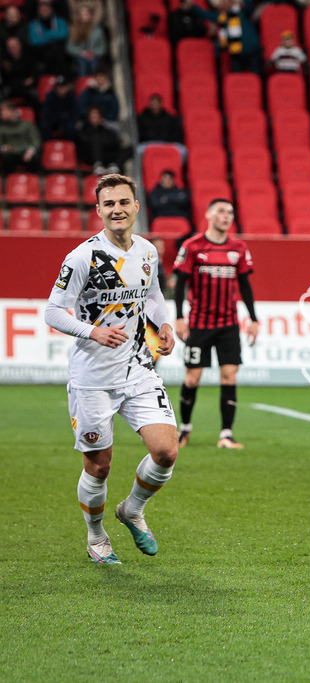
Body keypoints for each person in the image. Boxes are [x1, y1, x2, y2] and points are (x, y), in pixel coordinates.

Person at [43, 173, 178, 565]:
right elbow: (52, 311)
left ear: (136, 206)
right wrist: (93, 331)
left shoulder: (147, 251)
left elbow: (153, 295)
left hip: (137, 367)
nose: (117, 209)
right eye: (109, 204)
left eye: (123, 202)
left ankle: (132, 510)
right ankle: (96, 536)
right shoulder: (82, 257)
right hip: (92, 378)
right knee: (99, 466)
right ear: (99, 210)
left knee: (166, 452)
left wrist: (164, 325)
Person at [173, 198, 259, 450]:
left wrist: (254, 319)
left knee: (229, 376)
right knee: (192, 378)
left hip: (228, 324)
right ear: (209, 215)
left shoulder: (239, 248)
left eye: (230, 212)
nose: (226, 216)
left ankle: (226, 435)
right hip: (199, 323)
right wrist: (179, 317)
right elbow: (180, 283)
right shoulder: (192, 246)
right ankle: (184, 429)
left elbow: (245, 284)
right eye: (221, 211)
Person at [186, 0, 261, 74]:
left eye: (227, 1)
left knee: (255, 76)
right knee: (236, 77)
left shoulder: (242, 11)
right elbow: (206, 14)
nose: (224, 4)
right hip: (237, 53)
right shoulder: (222, 16)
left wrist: (242, 3)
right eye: (222, 3)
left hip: (253, 50)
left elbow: (249, 6)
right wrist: (193, 6)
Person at [76, 105, 128, 173]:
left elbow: (114, 142)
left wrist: (104, 126)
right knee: (96, 140)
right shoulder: (83, 130)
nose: (94, 118)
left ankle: (115, 166)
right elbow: (83, 143)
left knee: (128, 149)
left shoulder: (106, 130)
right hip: (90, 157)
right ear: (88, 117)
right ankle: (98, 165)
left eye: (96, 116)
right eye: (92, 116)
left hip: (105, 154)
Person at [27, 0, 69, 75]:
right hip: (41, 49)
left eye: (46, 9)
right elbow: (34, 41)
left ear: (51, 10)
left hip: (58, 48)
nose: (44, 11)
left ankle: (58, 75)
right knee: (52, 50)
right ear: (38, 11)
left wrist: (46, 34)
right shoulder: (33, 24)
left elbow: (64, 34)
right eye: (42, 10)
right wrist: (53, 36)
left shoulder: (59, 20)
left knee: (55, 50)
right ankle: (62, 75)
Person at [0, 99, 41, 173]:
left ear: (12, 111)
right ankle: (7, 178)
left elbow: (36, 141)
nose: (1, 114)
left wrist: (31, 150)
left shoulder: (27, 125)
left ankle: (33, 178)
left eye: (3, 111)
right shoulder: (2, 128)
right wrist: (4, 148)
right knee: (6, 157)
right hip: (11, 154)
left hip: (26, 152)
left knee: (35, 157)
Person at [65, 4, 106, 77]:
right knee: (82, 62)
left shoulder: (98, 30)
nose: (84, 17)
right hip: (79, 56)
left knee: (93, 62)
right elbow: (69, 47)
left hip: (94, 56)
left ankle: (94, 81)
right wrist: (82, 52)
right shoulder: (74, 30)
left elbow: (102, 48)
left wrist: (92, 53)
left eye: (86, 14)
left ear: (90, 15)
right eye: (82, 15)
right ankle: (82, 82)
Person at [0, 36, 39, 103]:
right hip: (12, 87)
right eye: (10, 47)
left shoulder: (29, 57)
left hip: (27, 86)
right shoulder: (5, 60)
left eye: (14, 46)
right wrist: (6, 70)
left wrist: (32, 79)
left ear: (20, 45)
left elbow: (36, 72)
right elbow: (5, 79)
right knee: (3, 94)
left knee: (35, 95)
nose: (12, 49)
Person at [39, 74, 77, 140]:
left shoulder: (71, 96)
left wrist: (66, 117)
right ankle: (46, 144)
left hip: (66, 119)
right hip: (53, 118)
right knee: (44, 125)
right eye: (59, 87)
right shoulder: (50, 96)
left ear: (66, 87)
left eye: (63, 87)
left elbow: (73, 112)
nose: (61, 89)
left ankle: (70, 144)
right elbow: (46, 112)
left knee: (71, 127)